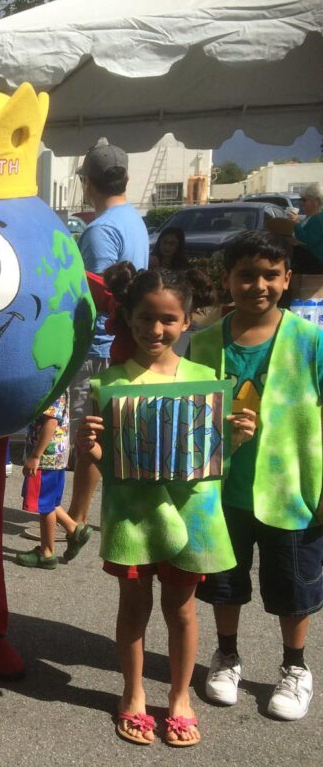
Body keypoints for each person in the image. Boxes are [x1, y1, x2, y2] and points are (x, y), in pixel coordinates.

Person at [76, 267, 256, 747]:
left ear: (187, 321)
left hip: (192, 515)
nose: (155, 329)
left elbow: (214, 460)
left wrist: (237, 438)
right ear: (128, 318)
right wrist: (90, 446)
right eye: (145, 318)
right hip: (133, 516)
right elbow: (107, 462)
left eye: (168, 319)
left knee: (182, 610)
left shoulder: (206, 379)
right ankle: (133, 693)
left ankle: (179, 697)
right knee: (133, 607)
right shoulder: (108, 383)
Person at [191, 230, 323, 722]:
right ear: (228, 279)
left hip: (293, 493)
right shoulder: (204, 343)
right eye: (247, 275)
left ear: (288, 279)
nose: (259, 285)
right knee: (224, 584)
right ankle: (226, 654)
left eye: (271, 275)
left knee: (294, 588)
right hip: (221, 492)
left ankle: (295, 666)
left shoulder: (311, 341)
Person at [67, 142, 150, 536]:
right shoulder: (134, 220)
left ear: (87, 183)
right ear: (126, 178)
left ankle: (78, 517)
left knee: (89, 435)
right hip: (120, 342)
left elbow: (101, 296)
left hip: (100, 346)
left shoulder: (101, 230)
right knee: (109, 433)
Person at [14, 392, 91, 569]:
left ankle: (47, 553)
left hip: (46, 458)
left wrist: (36, 455)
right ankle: (74, 530)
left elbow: (51, 422)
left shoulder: (53, 389)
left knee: (45, 505)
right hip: (56, 456)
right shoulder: (59, 386)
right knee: (50, 501)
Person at [289, 182, 323, 265]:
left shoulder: (318, 219)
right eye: (301, 200)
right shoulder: (310, 217)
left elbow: (308, 241)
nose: (301, 203)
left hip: (314, 264)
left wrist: (296, 224)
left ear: (316, 201)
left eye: (304, 200)